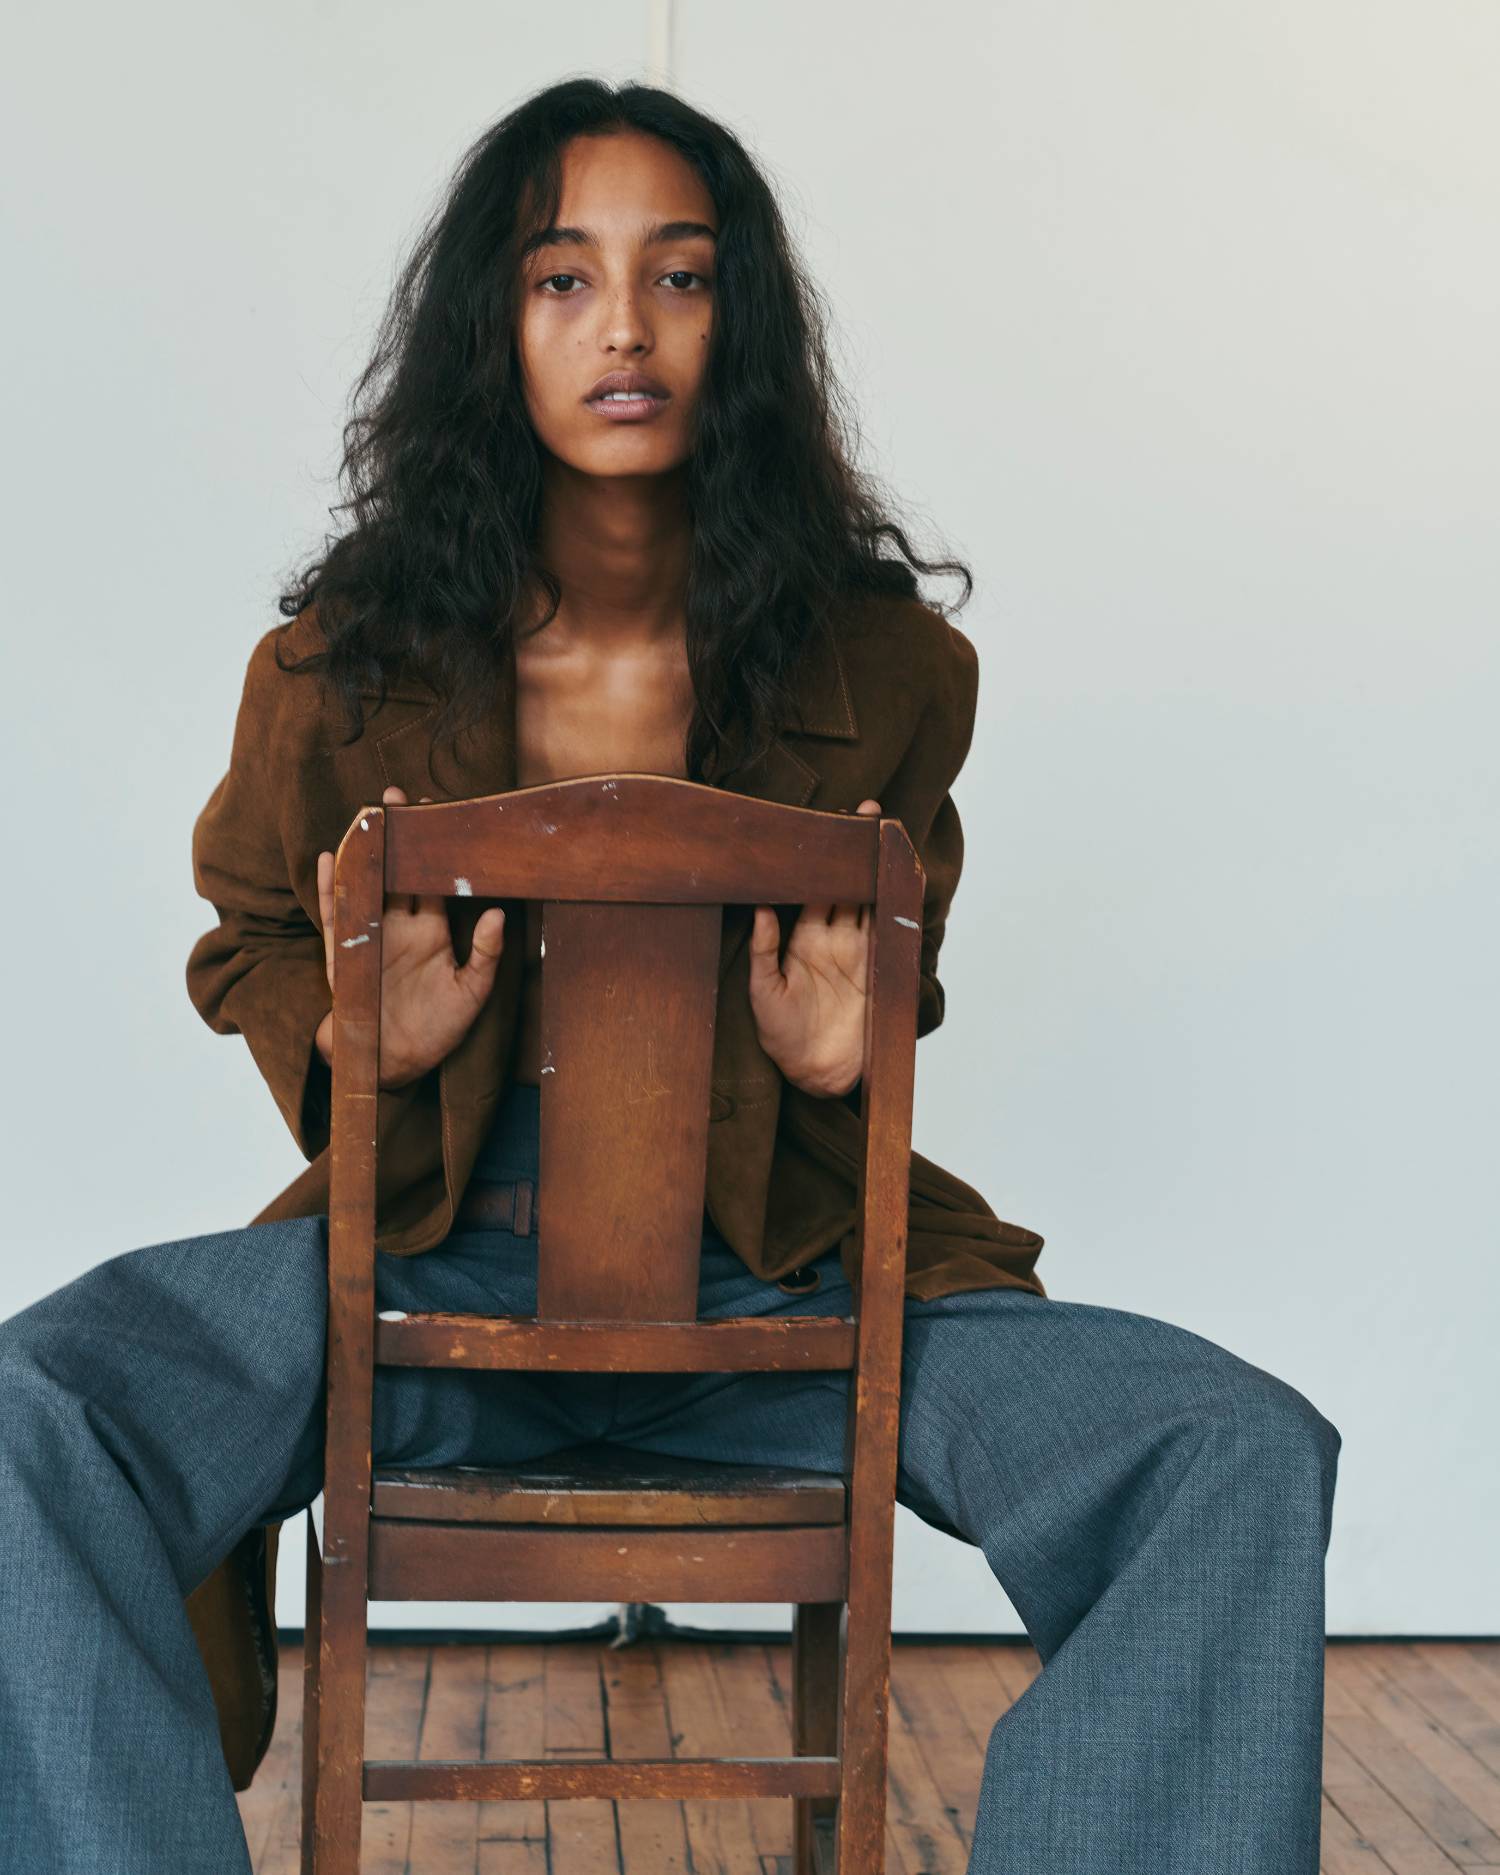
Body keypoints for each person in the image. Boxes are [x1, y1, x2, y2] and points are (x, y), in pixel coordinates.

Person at [0, 78, 1340, 1875]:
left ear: (742, 323)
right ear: (492, 327)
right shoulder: (332, 670)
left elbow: (898, 970)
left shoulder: (893, 670)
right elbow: (248, 920)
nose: (623, 326)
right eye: (562, 278)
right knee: (33, 1409)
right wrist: (352, 1037)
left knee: (1235, 1447)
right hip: (416, 1286)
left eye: (681, 277)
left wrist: (852, 1053)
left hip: (794, 1291)